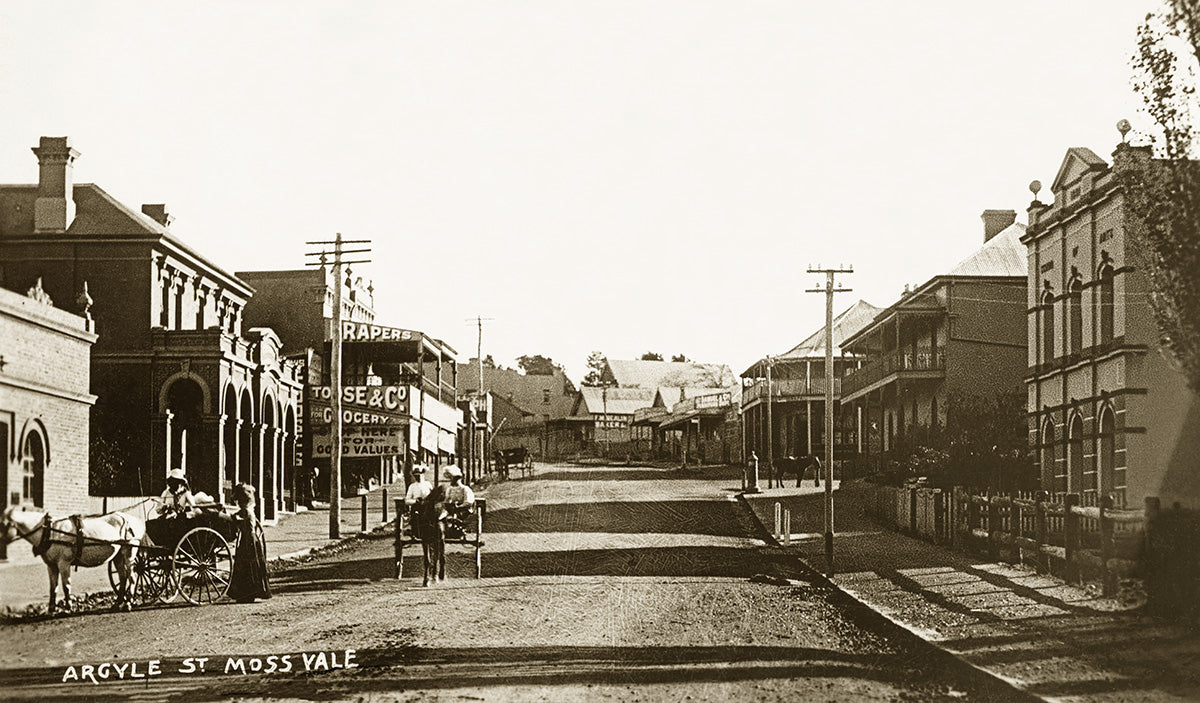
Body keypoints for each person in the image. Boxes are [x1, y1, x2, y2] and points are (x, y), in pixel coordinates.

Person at [227, 483, 271, 603]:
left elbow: (237, 520)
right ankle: (246, 593)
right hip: (248, 540)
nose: (239, 504)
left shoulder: (246, 511)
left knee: (247, 567)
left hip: (249, 541)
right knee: (247, 567)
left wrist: (222, 516)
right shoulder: (246, 510)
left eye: (240, 501)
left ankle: (247, 593)